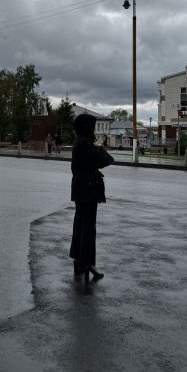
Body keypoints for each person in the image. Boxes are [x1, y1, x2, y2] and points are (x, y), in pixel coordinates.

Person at [69, 113, 114, 284]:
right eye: (92, 126)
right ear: (87, 127)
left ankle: (78, 259)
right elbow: (107, 160)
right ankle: (88, 263)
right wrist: (101, 148)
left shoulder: (78, 142)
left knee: (80, 224)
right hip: (88, 189)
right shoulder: (86, 144)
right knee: (88, 227)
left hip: (80, 188)